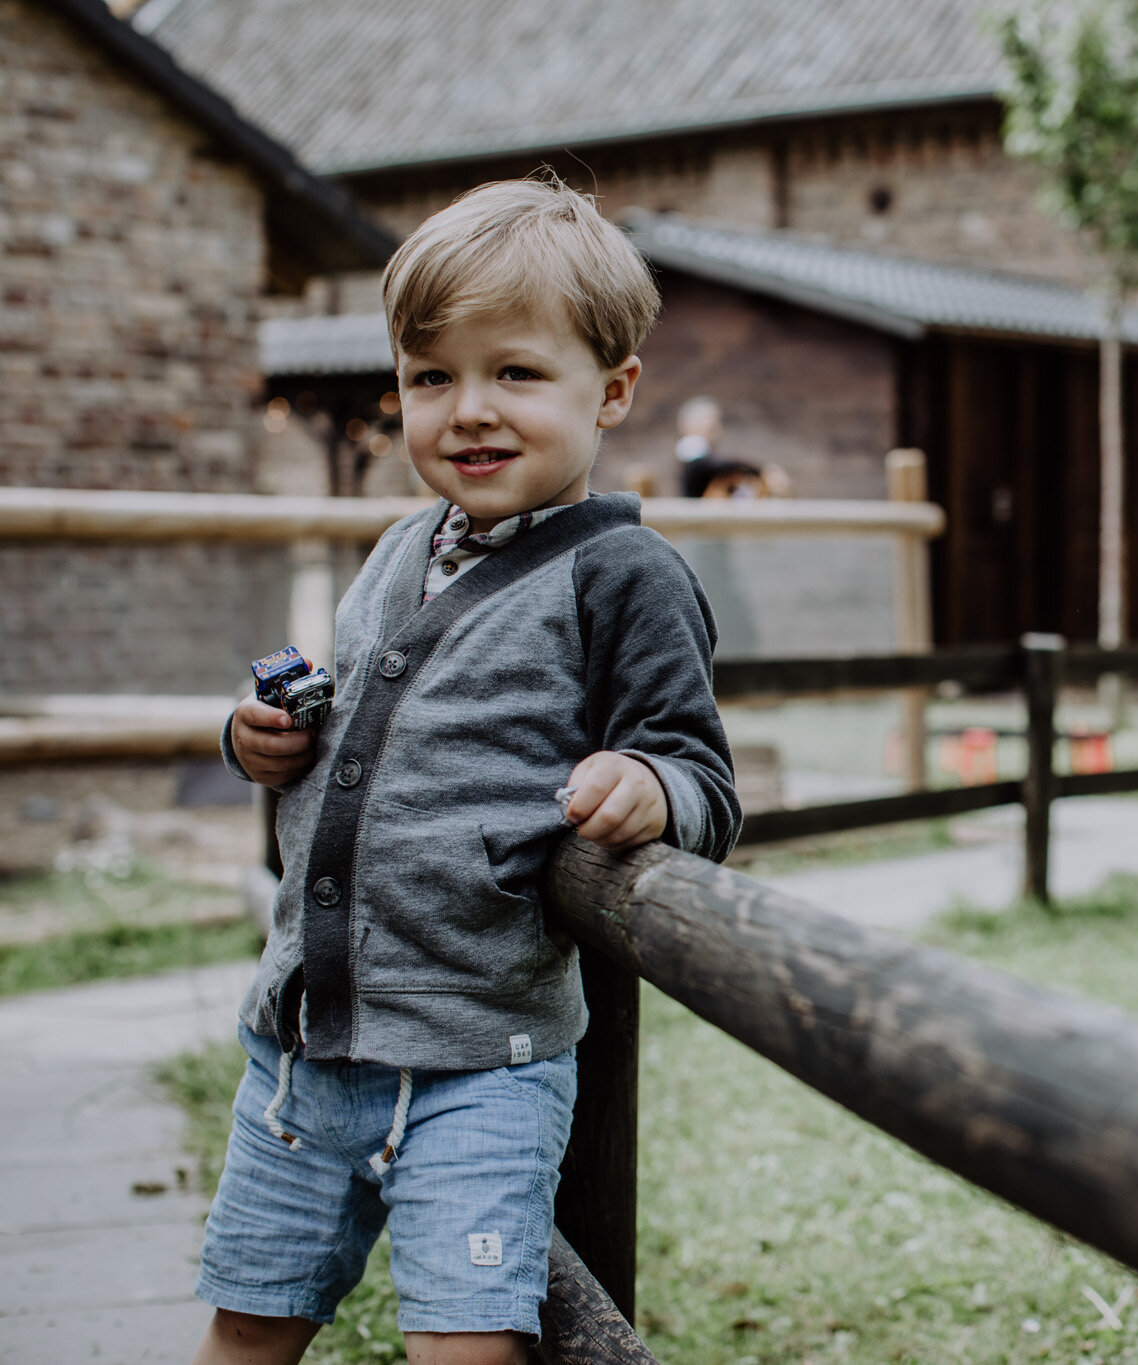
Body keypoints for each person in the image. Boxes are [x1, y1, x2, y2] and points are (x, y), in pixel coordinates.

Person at [195, 177, 741, 1365]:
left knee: (468, 1345)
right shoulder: (396, 549)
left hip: (478, 1068)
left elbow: (701, 773)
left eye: (515, 374)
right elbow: (346, 724)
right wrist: (263, 739)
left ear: (614, 388)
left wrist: (651, 788)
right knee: (245, 1326)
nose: (466, 412)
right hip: (302, 1047)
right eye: (430, 376)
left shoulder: (623, 575)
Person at [674, 395, 790, 498]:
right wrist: (760, 470)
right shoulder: (691, 448)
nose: (717, 428)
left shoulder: (702, 454)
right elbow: (711, 464)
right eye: (711, 422)